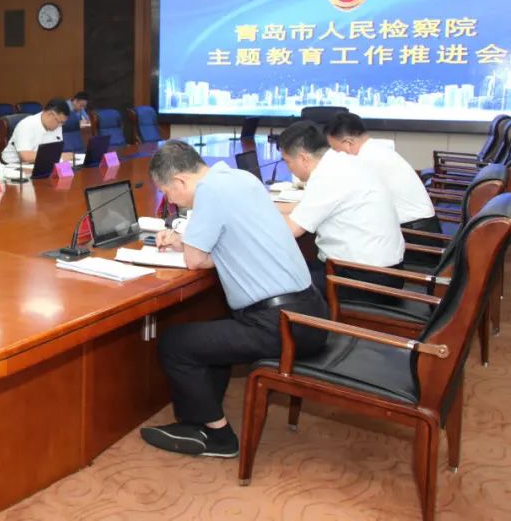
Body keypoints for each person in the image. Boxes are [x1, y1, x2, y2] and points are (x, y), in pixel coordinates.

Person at [140, 141, 328, 458]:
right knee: (211, 333)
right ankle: (199, 421)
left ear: (180, 181)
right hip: (310, 311)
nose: (169, 201)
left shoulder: (208, 193)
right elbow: (235, 242)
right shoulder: (240, 178)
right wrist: (185, 241)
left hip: (280, 324)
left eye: (167, 192)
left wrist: (186, 244)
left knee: (175, 343)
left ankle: (218, 436)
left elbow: (195, 261)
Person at [276, 120, 404, 291]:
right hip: (381, 271)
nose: (288, 168)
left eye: (287, 161)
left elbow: (292, 229)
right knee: (289, 269)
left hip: (364, 279)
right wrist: (267, 208)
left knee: (276, 282)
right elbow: (304, 208)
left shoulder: (327, 176)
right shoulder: (341, 162)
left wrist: (252, 220)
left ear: (303, 158)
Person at [325, 112, 440, 234]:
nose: (337, 154)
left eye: (336, 149)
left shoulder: (366, 159)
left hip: (415, 235)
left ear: (348, 143)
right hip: (420, 227)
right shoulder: (376, 149)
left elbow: (348, 200)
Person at [1, 98, 69, 165]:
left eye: (63, 123)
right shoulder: (26, 125)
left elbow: (56, 152)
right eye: (60, 122)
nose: (60, 125)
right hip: (12, 165)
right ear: (50, 114)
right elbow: (26, 157)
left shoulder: (57, 125)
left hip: (39, 163)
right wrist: (58, 156)